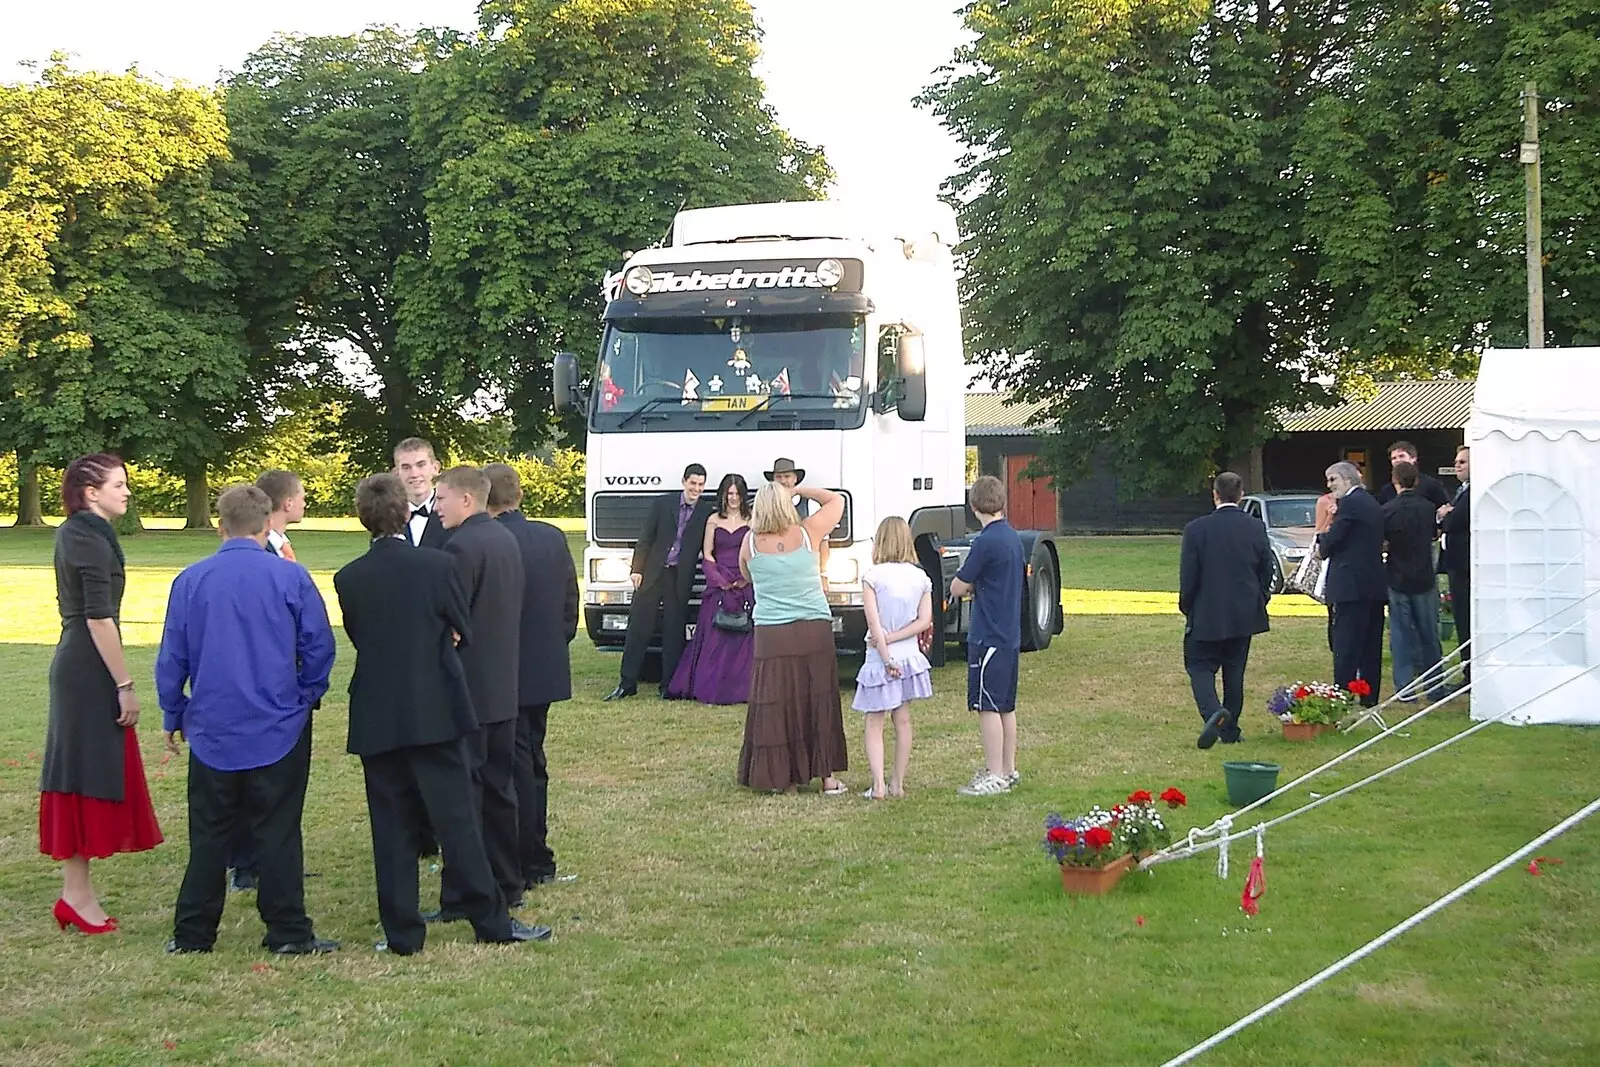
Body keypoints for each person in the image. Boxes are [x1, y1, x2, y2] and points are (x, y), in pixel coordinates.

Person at [334, 474, 549, 953]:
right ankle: (490, 921)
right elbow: (460, 625)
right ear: (407, 513)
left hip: (378, 712)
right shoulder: (436, 566)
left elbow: (360, 636)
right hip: (435, 708)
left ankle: (403, 933)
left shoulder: (348, 578)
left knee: (390, 827)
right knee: (458, 822)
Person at [158, 485, 338, 955]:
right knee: (278, 828)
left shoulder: (191, 580)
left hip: (214, 725)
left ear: (221, 527)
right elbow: (318, 645)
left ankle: (193, 934)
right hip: (278, 722)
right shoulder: (289, 578)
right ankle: (287, 931)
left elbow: (172, 654)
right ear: (265, 526)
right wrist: (307, 694)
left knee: (210, 833)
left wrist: (172, 710)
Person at [38, 454, 163, 935]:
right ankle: (75, 895)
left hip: (87, 662)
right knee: (79, 778)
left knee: (90, 776)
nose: (127, 491)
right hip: (87, 667)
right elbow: (96, 616)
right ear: (91, 492)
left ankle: (78, 894)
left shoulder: (88, 532)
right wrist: (124, 684)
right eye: (119, 484)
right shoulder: (82, 534)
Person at [426, 465, 527, 919]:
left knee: (462, 796)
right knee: (499, 790)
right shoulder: (505, 539)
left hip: (468, 689)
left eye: (441, 497)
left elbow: (451, 620)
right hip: (503, 684)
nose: (435, 507)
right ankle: (508, 881)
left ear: (467, 500)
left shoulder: (461, 546)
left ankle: (463, 895)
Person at [485, 463, 580, 890]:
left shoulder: (487, 541)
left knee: (512, 766)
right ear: (520, 496)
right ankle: (536, 854)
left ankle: (526, 857)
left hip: (502, 670)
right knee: (533, 760)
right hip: (543, 665)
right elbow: (568, 603)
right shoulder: (551, 537)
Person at [222, 468, 310, 895]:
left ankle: (273, 859)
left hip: (281, 684)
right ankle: (246, 862)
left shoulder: (281, 548)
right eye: (302, 494)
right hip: (260, 682)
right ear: (286, 503)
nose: (305, 501)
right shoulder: (262, 554)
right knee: (251, 776)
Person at [736, 482, 849, 794]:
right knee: (819, 698)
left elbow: (746, 574)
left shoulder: (751, 543)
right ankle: (826, 777)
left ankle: (783, 778)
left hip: (772, 633)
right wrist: (801, 488)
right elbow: (835, 501)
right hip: (814, 628)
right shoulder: (808, 532)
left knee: (777, 703)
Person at [1179, 472, 1275, 749]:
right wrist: (1259, 598)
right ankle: (1230, 729)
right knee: (1235, 673)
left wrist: (1188, 605)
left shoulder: (1196, 529)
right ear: (1241, 494)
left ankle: (1213, 713)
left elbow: (1189, 575)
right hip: (1244, 612)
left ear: (1215, 494)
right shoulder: (1255, 527)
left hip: (1207, 610)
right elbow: (1265, 568)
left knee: (1199, 666)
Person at [605, 464, 713, 701]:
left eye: (700, 484)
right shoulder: (663, 503)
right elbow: (645, 536)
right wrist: (637, 569)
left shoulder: (706, 512)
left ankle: (668, 686)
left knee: (674, 631)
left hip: (679, 576)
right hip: (653, 572)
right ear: (684, 481)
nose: (696, 488)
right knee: (639, 627)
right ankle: (627, 683)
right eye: (692, 483)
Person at [951, 476, 1026, 796]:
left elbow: (958, 585)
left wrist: (968, 587)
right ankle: (1008, 769)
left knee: (987, 706)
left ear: (973, 506)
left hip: (988, 635)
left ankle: (994, 772)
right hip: (1009, 633)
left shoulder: (984, 541)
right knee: (1006, 706)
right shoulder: (1013, 537)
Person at [851, 517, 934, 799]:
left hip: (878, 657)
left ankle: (877, 785)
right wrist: (897, 639)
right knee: (904, 720)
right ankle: (897, 782)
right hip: (910, 654)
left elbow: (874, 624)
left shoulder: (872, 576)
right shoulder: (921, 577)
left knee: (875, 721)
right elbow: (924, 621)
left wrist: (885, 654)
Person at [666, 472, 755, 705]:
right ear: (723, 495)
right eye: (729, 493)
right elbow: (707, 553)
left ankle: (742, 687)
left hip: (745, 579)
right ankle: (710, 683)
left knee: (746, 633)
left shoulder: (753, 520)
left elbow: (757, 550)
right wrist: (719, 580)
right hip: (719, 581)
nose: (733, 498)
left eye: (737, 494)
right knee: (714, 632)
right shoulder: (714, 519)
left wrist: (745, 578)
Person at [1317, 461, 1387, 706]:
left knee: (1346, 645)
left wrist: (1321, 539)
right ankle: (1369, 697)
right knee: (1370, 646)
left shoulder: (1350, 504)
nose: (1329, 485)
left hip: (1350, 585)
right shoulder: (1371, 502)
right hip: (1373, 583)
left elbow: (1332, 542)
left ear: (1348, 479)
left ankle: (1342, 696)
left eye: (1332, 479)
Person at [1383, 461, 1447, 703]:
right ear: (1416, 481)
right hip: (1424, 576)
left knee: (1400, 634)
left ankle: (1405, 689)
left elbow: (1384, 542)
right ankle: (1435, 686)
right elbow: (1433, 535)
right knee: (1430, 633)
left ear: (1395, 480)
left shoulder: (1388, 509)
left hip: (1398, 575)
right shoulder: (1428, 508)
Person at [1437, 446, 1472, 677]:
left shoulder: (1473, 491)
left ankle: (1470, 671)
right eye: (1457, 461)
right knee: (1460, 617)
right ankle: (1466, 667)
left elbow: (1455, 521)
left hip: (1465, 564)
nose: (1457, 465)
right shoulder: (1461, 489)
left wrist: (1445, 514)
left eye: (1463, 462)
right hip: (1455, 564)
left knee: (1466, 617)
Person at [395, 437, 449, 548]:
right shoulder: (389, 516)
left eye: (421, 465)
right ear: (397, 473)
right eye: (406, 467)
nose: (414, 474)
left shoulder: (452, 511)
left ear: (435, 468)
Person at [1375, 441, 1452, 508]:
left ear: (1413, 458)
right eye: (1394, 458)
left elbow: (1444, 509)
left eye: (1401, 456)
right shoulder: (1386, 490)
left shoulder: (1432, 485)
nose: (1397, 460)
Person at [256, 469, 306, 562]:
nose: (304, 504)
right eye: (302, 499)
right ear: (288, 504)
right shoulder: (258, 550)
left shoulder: (282, 545)